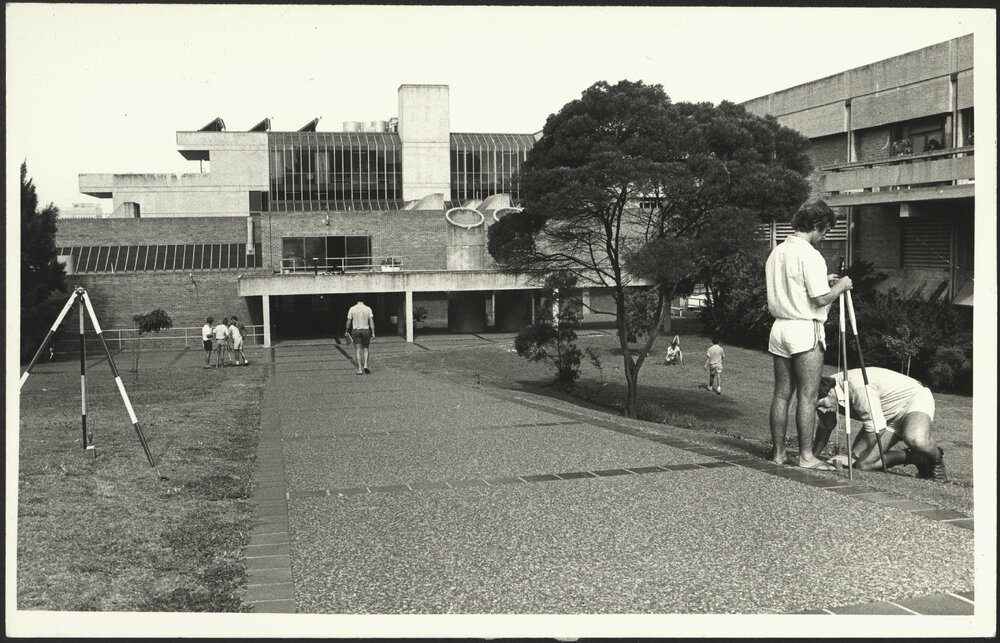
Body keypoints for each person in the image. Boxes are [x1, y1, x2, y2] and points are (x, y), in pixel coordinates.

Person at [765, 199, 853, 469]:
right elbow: (819, 299)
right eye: (825, 231)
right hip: (804, 329)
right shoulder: (811, 255)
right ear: (816, 225)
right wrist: (841, 286)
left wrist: (823, 280)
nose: (824, 237)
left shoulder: (777, 251)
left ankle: (778, 454)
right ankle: (806, 456)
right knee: (808, 395)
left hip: (779, 327)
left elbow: (799, 287)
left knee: (781, 394)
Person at [813, 368, 947, 480]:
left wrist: (851, 456)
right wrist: (813, 457)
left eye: (821, 405)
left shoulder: (856, 387)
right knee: (863, 465)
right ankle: (916, 457)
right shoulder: (823, 391)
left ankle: (936, 458)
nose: (821, 410)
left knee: (916, 440)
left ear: (830, 392)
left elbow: (875, 427)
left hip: (913, 399)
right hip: (885, 417)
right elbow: (826, 426)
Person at [345, 298, 375, 374]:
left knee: (358, 350)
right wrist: (373, 332)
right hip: (366, 330)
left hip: (356, 331)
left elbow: (348, 321)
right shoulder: (368, 309)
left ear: (356, 300)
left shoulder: (352, 309)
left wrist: (346, 331)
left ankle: (359, 369)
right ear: (364, 300)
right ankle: (365, 366)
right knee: (366, 349)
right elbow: (371, 321)